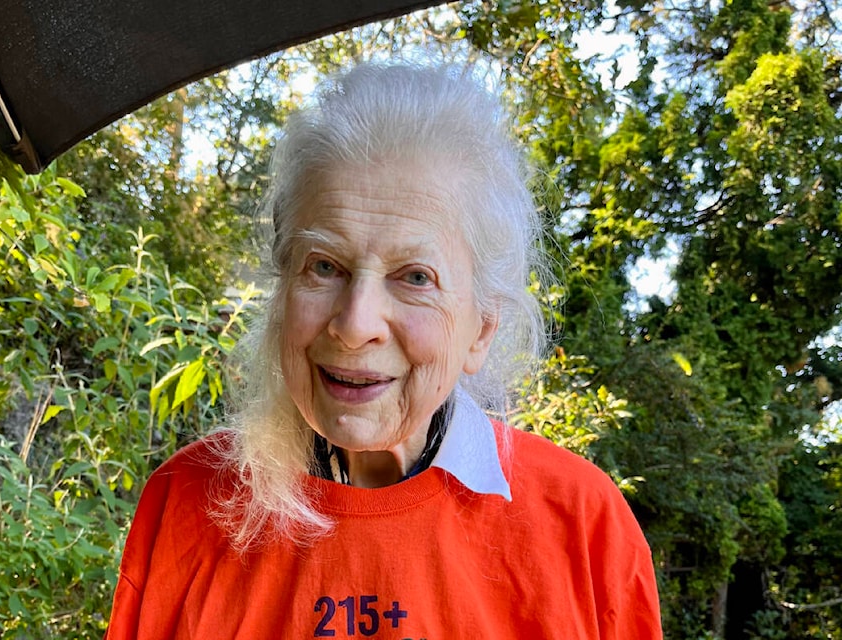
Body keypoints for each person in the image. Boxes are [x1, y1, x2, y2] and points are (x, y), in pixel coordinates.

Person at [105, 62, 662, 639]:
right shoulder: (187, 503)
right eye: (324, 266)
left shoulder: (583, 526)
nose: (354, 324)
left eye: (416, 277)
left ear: (481, 328)